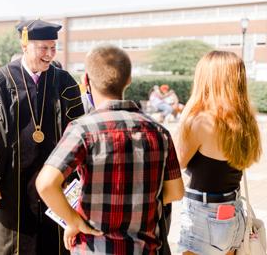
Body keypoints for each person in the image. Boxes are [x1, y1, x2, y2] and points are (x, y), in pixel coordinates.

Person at [36, 45, 184, 254]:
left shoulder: (83, 130)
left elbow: (45, 184)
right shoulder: (159, 132)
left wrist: (74, 220)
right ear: (129, 80)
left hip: (95, 247)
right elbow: (176, 192)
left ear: (85, 80)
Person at [0, 19, 84, 255]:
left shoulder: (64, 82)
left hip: (55, 184)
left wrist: (74, 175)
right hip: (9, 186)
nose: (49, 54)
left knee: (54, 245)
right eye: (43, 48)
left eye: (53, 48)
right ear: (25, 45)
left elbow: (77, 132)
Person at [174, 51, 262, 255]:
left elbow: (177, 162)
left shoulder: (201, 121)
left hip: (204, 216)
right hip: (233, 211)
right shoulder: (246, 121)